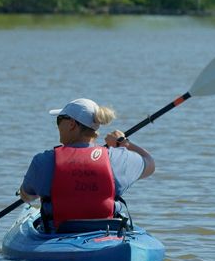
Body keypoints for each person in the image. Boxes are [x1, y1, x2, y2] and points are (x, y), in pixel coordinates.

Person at [19, 98, 155, 231]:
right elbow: (149, 163)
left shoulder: (43, 161)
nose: (58, 125)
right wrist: (124, 143)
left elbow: (27, 196)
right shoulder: (116, 157)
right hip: (105, 232)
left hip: (56, 234)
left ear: (72, 124)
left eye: (59, 120)